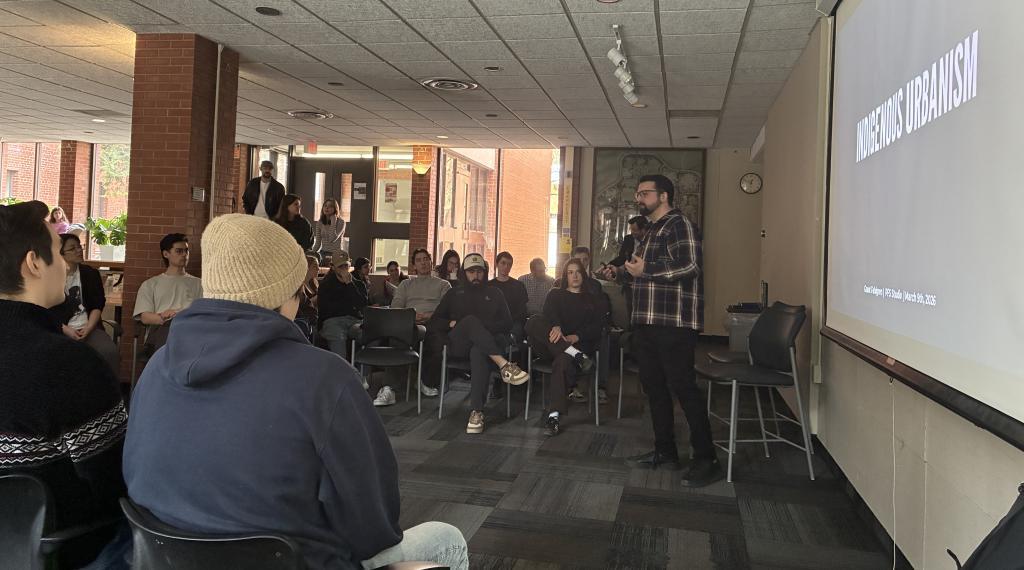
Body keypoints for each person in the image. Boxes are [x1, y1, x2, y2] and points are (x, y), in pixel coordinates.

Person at [122, 214, 468, 570]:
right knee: (447, 538)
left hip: (166, 559)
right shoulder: (326, 379)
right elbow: (373, 527)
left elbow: (135, 478)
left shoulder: (155, 368)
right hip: (296, 562)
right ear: (285, 293)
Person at [0, 201, 131, 569]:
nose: (65, 264)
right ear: (34, 263)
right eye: (59, 253)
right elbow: (117, 481)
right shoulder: (69, 365)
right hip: (58, 551)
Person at [602, 174, 720, 487]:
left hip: (674, 323)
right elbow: (644, 275)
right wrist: (623, 273)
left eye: (645, 193)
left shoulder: (679, 224)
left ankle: (707, 458)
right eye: (637, 192)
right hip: (647, 322)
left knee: (684, 388)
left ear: (663, 196)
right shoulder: (651, 231)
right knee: (654, 389)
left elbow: (690, 266)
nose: (638, 198)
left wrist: (647, 269)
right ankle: (665, 450)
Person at [426, 253, 529, 434]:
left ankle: (476, 412)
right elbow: (434, 322)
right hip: (457, 344)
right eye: (471, 271)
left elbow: (506, 323)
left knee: (478, 350)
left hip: (485, 346)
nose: (476, 275)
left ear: (485, 272)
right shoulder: (454, 292)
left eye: (479, 271)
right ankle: (504, 365)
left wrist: (482, 329)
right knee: (470, 321)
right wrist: (453, 323)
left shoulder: (495, 293)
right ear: (464, 273)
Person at [525, 258, 605, 437]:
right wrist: (556, 326)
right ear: (565, 276)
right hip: (551, 345)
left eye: (577, 272)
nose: (574, 276)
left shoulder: (591, 300)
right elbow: (548, 315)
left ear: (582, 275)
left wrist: (576, 336)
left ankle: (553, 416)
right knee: (533, 321)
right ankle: (575, 354)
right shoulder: (555, 294)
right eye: (570, 272)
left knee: (561, 363)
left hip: (572, 348)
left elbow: (597, 327)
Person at [374, 249, 451, 406]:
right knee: (398, 339)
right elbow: (396, 307)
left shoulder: (443, 284)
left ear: (431, 261)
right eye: (419, 260)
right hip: (409, 323)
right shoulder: (406, 284)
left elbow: (446, 309)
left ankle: (425, 381)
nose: (423, 262)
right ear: (414, 265)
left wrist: (429, 315)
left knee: (437, 340)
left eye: (425, 259)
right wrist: (411, 316)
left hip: (432, 323)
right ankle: (390, 388)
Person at [52, 233, 119, 373]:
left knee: (109, 351)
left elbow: (97, 304)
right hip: (60, 329)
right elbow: (46, 309)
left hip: (89, 327)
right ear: (61, 253)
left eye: (79, 247)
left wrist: (89, 328)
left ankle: (107, 392)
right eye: (72, 248)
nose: (79, 250)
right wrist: (66, 330)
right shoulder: (51, 276)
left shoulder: (90, 273)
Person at [133, 233, 203, 353]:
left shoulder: (199, 284)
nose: (185, 255)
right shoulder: (150, 284)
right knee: (169, 330)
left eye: (186, 251)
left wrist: (181, 314)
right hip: (162, 331)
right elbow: (144, 317)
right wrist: (163, 317)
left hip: (189, 329)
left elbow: (204, 313)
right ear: (166, 254)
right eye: (179, 251)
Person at [487, 251, 529, 399]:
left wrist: (509, 321)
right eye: (503, 263)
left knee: (510, 338)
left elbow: (523, 311)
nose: (506, 267)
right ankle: (499, 378)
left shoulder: (518, 285)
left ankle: (506, 378)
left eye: (509, 264)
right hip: (494, 324)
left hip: (513, 323)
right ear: (497, 264)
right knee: (494, 338)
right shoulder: (489, 286)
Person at [318, 250, 368, 363]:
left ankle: (363, 376)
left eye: (346, 265)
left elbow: (363, 305)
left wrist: (350, 285)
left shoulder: (358, 284)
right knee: (338, 336)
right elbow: (326, 310)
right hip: (333, 321)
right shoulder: (326, 285)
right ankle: (342, 374)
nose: (344, 269)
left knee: (369, 335)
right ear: (333, 267)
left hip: (355, 321)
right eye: (340, 266)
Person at [607, 215, 649, 321]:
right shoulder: (628, 239)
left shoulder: (651, 241)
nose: (632, 233)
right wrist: (609, 265)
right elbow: (621, 258)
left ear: (644, 229)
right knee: (631, 312)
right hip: (628, 282)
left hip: (645, 283)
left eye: (635, 230)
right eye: (631, 230)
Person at [312, 198, 346, 265]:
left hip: (336, 254)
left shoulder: (341, 222)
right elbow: (318, 243)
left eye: (330, 206)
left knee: (329, 262)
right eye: (325, 206)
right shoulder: (320, 222)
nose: (327, 208)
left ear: (335, 209)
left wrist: (333, 221)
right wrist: (310, 254)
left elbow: (332, 239)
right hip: (323, 253)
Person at [294, 255, 320, 343]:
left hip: (316, 316)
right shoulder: (298, 285)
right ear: (307, 267)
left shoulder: (314, 283)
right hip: (307, 319)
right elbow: (302, 305)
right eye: (315, 266)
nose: (318, 269)